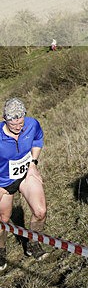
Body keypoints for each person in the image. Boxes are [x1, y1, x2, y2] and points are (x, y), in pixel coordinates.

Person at [0, 98, 48, 271]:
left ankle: (33, 244)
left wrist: (33, 164)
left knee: (40, 212)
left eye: (21, 123)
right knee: (3, 220)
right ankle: (1, 250)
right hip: (3, 183)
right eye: (14, 125)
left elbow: (37, 140)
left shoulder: (32, 124)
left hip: (26, 174)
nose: (19, 128)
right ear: (5, 119)